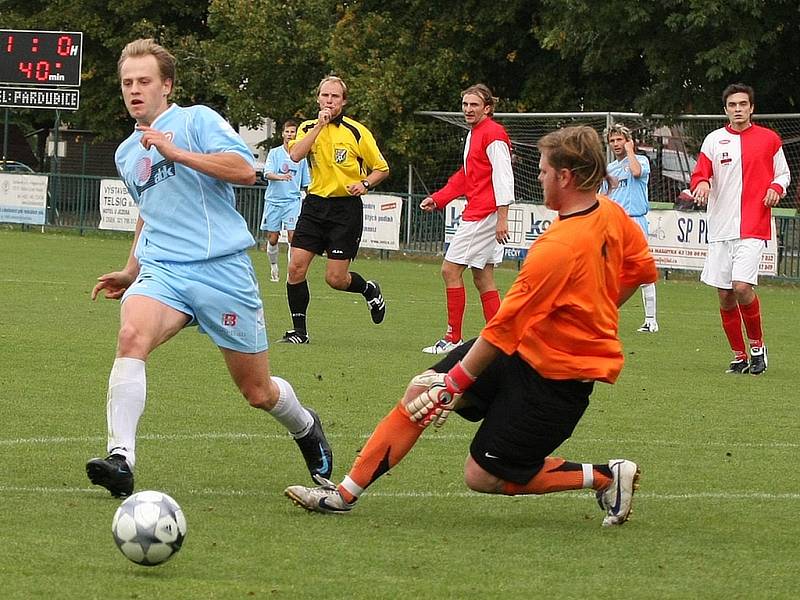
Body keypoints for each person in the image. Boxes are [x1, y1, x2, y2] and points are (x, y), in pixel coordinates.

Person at [285, 126, 658, 528]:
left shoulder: (558, 247)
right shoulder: (612, 214)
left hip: (559, 377)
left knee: (481, 475)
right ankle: (342, 496)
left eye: (545, 171)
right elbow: (640, 271)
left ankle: (605, 476)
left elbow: (500, 332)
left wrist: (456, 382)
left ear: (565, 177)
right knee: (420, 390)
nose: (539, 177)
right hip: (523, 351)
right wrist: (596, 306)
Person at [85, 39, 332, 498]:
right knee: (130, 337)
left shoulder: (196, 120)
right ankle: (121, 458)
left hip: (223, 271)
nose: (134, 90)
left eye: (144, 81)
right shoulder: (126, 153)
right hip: (164, 271)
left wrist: (176, 153)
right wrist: (130, 268)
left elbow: (243, 169)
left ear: (167, 86)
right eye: (127, 83)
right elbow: (149, 211)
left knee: (258, 392)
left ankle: (305, 424)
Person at [278, 75, 390, 344]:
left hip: (345, 210)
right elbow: (295, 156)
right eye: (325, 96)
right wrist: (318, 126)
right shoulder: (306, 128)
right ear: (318, 98)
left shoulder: (357, 132)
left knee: (335, 279)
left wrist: (364, 183)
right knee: (295, 268)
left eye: (335, 97)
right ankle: (300, 332)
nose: (329, 101)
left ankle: (368, 289)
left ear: (344, 101)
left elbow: (381, 169)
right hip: (315, 206)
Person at [690, 83, 790, 375]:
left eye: (743, 104)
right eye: (732, 105)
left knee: (742, 286)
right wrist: (703, 185)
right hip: (721, 228)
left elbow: (783, 174)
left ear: (751, 108)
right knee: (724, 294)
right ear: (726, 110)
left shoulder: (769, 139)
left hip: (754, 225)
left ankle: (758, 347)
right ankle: (739, 355)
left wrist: (775, 187)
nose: (738, 109)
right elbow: (699, 175)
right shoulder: (713, 140)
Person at [420, 83, 514, 354]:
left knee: (449, 270)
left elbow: (503, 177)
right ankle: (501, 341)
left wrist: (502, 218)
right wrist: (439, 198)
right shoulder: (475, 133)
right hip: (482, 211)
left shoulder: (493, 134)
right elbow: (465, 176)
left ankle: (453, 339)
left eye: (474, 105)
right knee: (483, 277)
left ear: (488, 108)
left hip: (484, 214)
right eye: (465, 104)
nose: (468, 109)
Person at [601, 123, 658, 333]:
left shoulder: (640, 160)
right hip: (614, 223)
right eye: (613, 141)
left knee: (640, 271)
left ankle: (651, 320)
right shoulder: (609, 169)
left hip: (635, 222)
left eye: (620, 140)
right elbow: (603, 196)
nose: (616, 144)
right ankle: (605, 317)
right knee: (609, 270)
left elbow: (635, 172)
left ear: (628, 141)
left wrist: (630, 151)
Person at [261, 119, 311, 283]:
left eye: (293, 132)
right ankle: (274, 266)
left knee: (293, 237)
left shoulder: (301, 157)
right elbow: (267, 174)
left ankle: (292, 273)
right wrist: (281, 177)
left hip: (292, 202)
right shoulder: (275, 153)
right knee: (273, 238)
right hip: (274, 201)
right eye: (287, 132)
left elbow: (306, 184)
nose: (290, 135)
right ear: (283, 133)